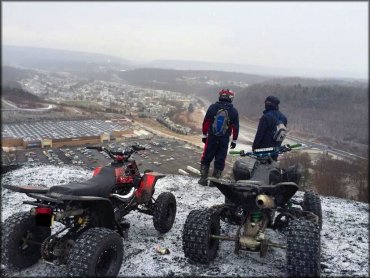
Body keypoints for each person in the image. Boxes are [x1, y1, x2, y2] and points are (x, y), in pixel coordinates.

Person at [198, 89, 239, 186]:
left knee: (206, 157)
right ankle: (214, 182)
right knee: (220, 159)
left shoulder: (213, 107)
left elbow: (206, 122)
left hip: (211, 137)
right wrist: (234, 140)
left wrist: (204, 135)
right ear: (231, 98)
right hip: (224, 139)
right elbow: (235, 127)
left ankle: (203, 179)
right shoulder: (233, 111)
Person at [252, 95, 287, 160]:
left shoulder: (265, 117)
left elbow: (259, 135)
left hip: (263, 151)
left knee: (261, 168)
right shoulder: (284, 118)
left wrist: (254, 148)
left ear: (268, 104)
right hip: (275, 150)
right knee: (272, 168)